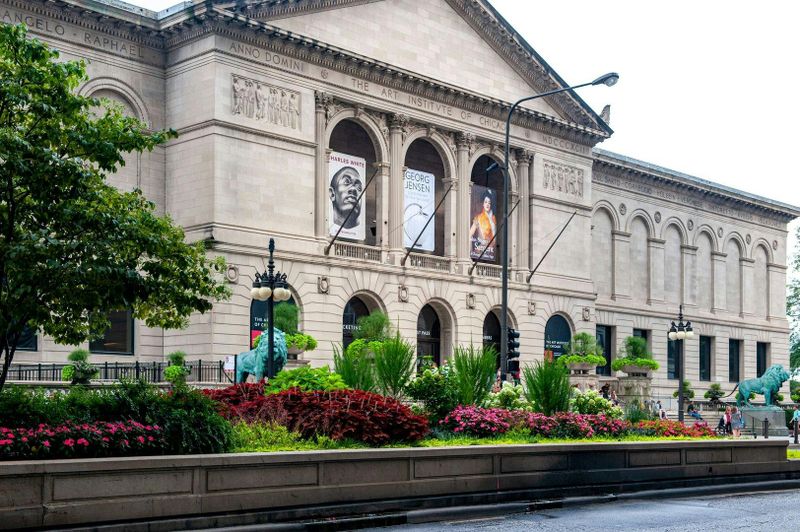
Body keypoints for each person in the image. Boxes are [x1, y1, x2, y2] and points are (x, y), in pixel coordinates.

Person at [469, 190, 497, 258]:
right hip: (480, 250)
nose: (487, 204)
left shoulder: (494, 219)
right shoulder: (478, 218)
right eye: (486, 202)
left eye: (489, 203)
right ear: (483, 204)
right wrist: (470, 251)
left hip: (491, 251)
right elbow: (469, 235)